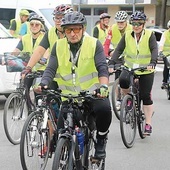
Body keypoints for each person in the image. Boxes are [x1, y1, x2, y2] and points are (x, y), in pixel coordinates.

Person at [35, 11, 112, 160]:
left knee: (104, 109)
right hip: (69, 96)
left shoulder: (93, 44)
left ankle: (101, 140)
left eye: (76, 29)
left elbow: (102, 68)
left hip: (92, 93)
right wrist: (43, 83)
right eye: (68, 30)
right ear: (63, 31)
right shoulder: (58, 45)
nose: (72, 33)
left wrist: (103, 87)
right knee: (61, 133)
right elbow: (50, 68)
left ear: (83, 29)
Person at [108, 11, 158, 135]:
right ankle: (128, 98)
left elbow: (154, 49)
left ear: (143, 24)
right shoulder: (127, 35)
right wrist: (111, 62)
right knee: (123, 81)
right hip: (129, 67)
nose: (136, 26)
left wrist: (153, 61)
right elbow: (119, 49)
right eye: (134, 23)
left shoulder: (149, 35)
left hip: (146, 69)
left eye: (139, 23)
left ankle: (148, 123)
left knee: (146, 95)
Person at [22, 4, 73, 76]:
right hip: (53, 74)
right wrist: (28, 68)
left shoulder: (74, 33)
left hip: (71, 75)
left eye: (62, 18)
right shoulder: (51, 32)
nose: (58, 21)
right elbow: (39, 51)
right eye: (56, 18)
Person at [158, 20, 170, 89]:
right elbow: (161, 43)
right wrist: (160, 51)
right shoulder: (165, 33)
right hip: (166, 54)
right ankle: (164, 82)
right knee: (167, 66)